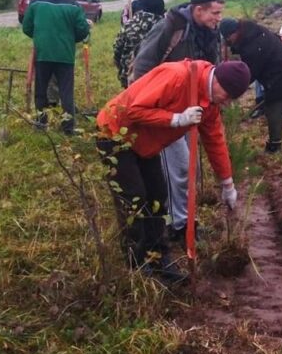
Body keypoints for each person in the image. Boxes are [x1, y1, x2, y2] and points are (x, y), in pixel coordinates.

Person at [96, 60, 251, 286]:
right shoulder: (177, 77)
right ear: (216, 79)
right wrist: (175, 119)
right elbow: (134, 110)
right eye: (226, 95)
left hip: (146, 144)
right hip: (116, 134)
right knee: (134, 199)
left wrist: (227, 184)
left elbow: (215, 142)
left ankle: (159, 258)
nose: (226, 102)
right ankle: (137, 264)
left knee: (158, 197)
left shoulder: (210, 105)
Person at [131, 0, 226, 242]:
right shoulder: (170, 28)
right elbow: (142, 65)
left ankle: (183, 218)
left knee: (187, 168)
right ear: (198, 9)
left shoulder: (210, 34)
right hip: (164, 112)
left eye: (220, 13)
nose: (219, 19)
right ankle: (178, 225)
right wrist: (143, 108)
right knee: (180, 167)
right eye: (214, 13)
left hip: (192, 111)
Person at [220, 18, 282, 152]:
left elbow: (250, 73)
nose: (228, 42)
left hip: (280, 77)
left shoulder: (252, 45)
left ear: (235, 32)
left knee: (274, 111)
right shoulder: (254, 31)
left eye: (228, 38)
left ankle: (274, 146)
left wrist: (233, 91)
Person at [21, 0, 90, 134]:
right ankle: (68, 128)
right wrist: (71, 40)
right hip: (65, 56)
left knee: (41, 90)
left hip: (43, 54)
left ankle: (41, 124)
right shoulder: (73, 6)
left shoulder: (36, 3)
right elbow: (83, 30)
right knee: (66, 92)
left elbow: (26, 27)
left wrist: (39, 38)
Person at [112, 0, 166, 88]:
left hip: (131, 77)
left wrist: (122, 68)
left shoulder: (130, 24)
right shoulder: (166, 28)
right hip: (158, 80)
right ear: (162, 9)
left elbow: (117, 48)